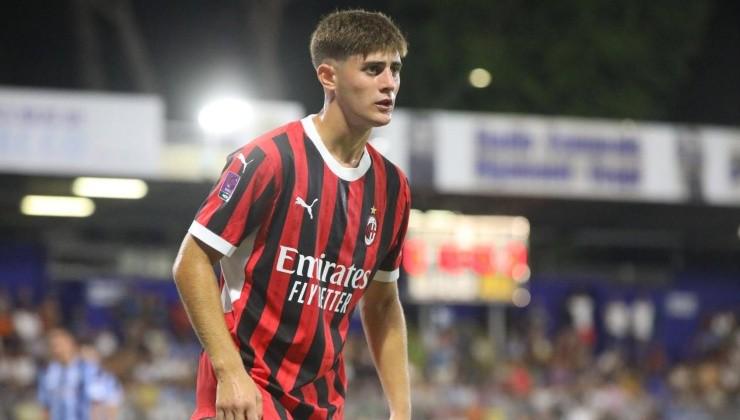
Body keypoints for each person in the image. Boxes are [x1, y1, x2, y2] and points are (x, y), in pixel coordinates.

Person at [172, 9, 411, 420]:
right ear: (328, 76)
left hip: (322, 402)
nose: (389, 82)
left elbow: (383, 304)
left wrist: (402, 413)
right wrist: (229, 371)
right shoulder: (270, 159)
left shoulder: (393, 188)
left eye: (395, 69)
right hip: (248, 391)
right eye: (373, 69)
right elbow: (191, 261)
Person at [37, 328, 122, 420]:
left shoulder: (89, 370)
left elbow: (107, 401)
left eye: (60, 344)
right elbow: (46, 407)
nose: (57, 349)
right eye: (53, 345)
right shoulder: (47, 373)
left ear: (70, 343)